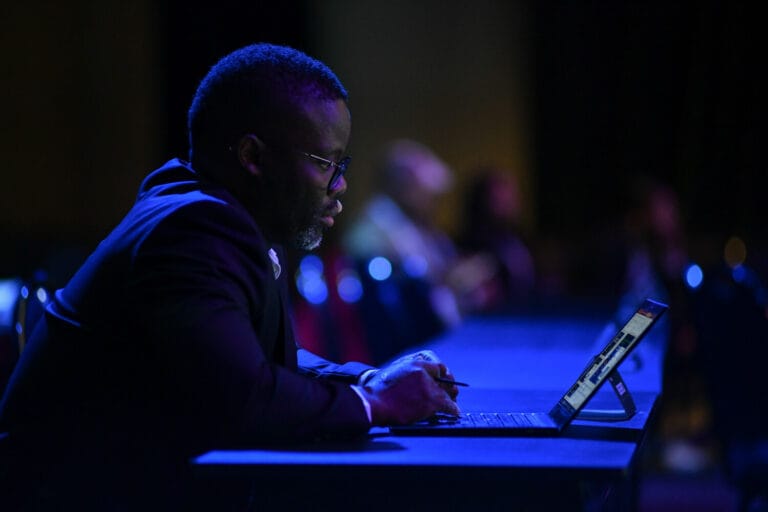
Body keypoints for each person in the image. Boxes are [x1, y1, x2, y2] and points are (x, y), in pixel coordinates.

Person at [0, 43, 460, 510]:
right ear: (252, 156)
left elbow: (255, 362)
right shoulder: (191, 231)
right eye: (326, 163)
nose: (339, 184)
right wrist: (377, 405)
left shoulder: (217, 218)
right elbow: (244, 399)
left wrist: (370, 380)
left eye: (342, 166)